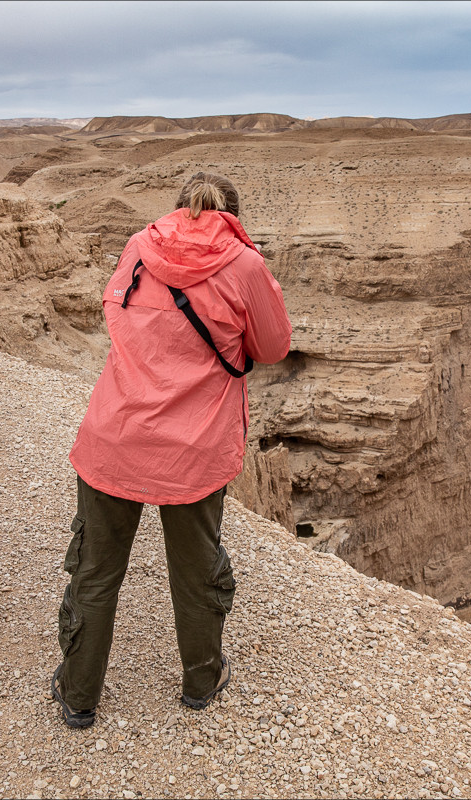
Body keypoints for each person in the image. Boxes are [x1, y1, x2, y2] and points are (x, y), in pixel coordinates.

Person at [52, 172, 292, 728]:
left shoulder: (138, 247)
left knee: (95, 570)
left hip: (116, 436)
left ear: (177, 207)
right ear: (233, 214)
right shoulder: (245, 264)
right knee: (196, 570)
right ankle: (201, 683)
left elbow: (116, 318)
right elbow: (274, 346)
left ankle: (79, 694)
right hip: (194, 449)